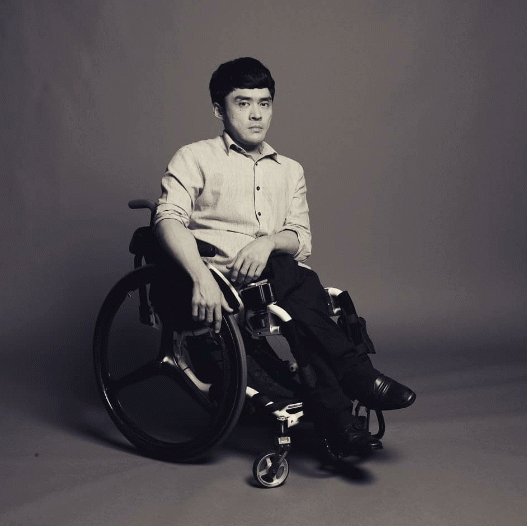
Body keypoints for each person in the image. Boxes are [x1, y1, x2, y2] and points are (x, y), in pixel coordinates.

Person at [154, 57, 415, 454]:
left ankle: (341, 425)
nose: (256, 114)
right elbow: (167, 219)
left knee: (297, 296)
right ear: (219, 110)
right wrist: (200, 277)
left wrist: (268, 242)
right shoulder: (195, 157)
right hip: (216, 279)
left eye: (265, 103)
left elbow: (300, 238)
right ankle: (357, 377)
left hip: (272, 280)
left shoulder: (290, 170)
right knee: (299, 283)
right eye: (243, 103)